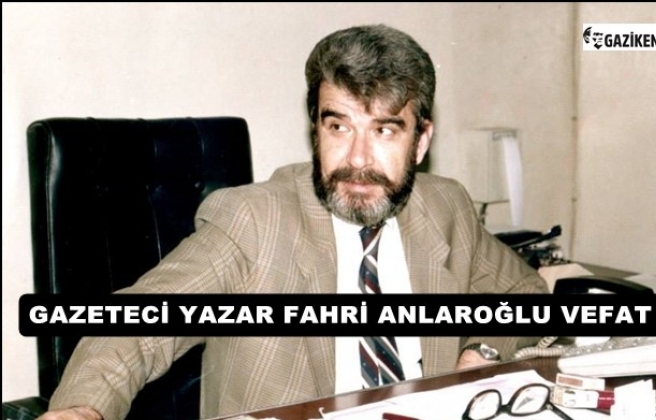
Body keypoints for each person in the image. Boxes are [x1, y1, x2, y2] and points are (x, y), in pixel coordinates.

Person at [38, 24, 548, 420]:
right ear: (316, 132)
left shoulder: (444, 207)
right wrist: (82, 409)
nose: (358, 159)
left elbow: (524, 292)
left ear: (421, 141)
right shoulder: (254, 222)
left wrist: (481, 350)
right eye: (339, 126)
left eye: (384, 131)